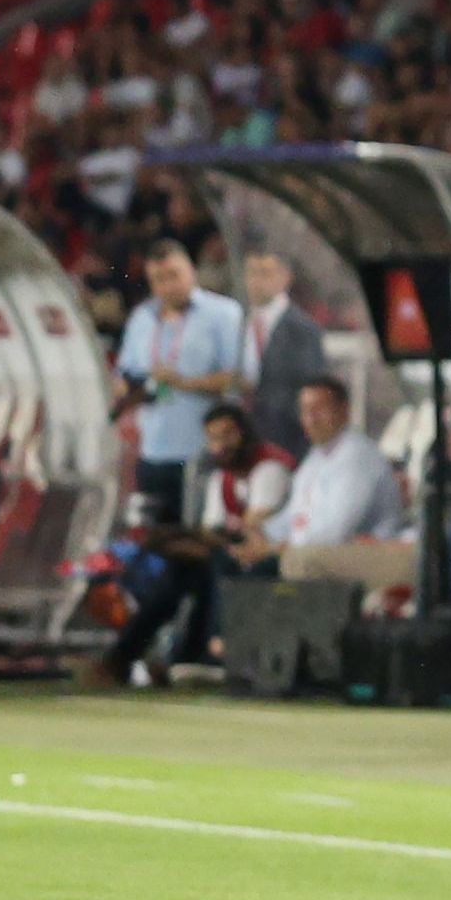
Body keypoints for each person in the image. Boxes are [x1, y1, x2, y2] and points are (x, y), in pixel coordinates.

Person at [96, 403, 286, 684]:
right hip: (233, 553)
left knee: (213, 565)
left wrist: (202, 543)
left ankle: (211, 654)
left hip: (267, 557)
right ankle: (134, 656)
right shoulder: (221, 479)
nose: (221, 445)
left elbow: (253, 527)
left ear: (245, 434)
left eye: (228, 435)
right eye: (213, 438)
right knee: (179, 570)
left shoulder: (269, 469)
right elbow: (212, 530)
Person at [113, 238, 245, 530]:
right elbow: (125, 373)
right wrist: (126, 389)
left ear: (192, 271)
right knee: (155, 546)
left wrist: (184, 383)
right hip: (152, 451)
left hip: (203, 453)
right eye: (158, 279)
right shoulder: (142, 318)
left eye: (174, 275)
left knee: (197, 544)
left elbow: (241, 378)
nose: (168, 286)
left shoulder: (224, 314)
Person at [267, 375, 410, 589]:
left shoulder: (358, 455)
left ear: (344, 410)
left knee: (294, 562)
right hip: (319, 550)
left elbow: (335, 531)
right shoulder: (316, 457)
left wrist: (276, 548)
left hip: (370, 551)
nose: (311, 419)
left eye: (319, 409)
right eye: (305, 411)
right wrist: (261, 534)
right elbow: (295, 517)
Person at [234, 249, 336, 454]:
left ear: (285, 278)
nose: (256, 281)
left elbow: (311, 391)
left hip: (285, 442)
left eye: (265, 273)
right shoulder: (237, 322)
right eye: (252, 272)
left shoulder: (303, 330)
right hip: (242, 441)